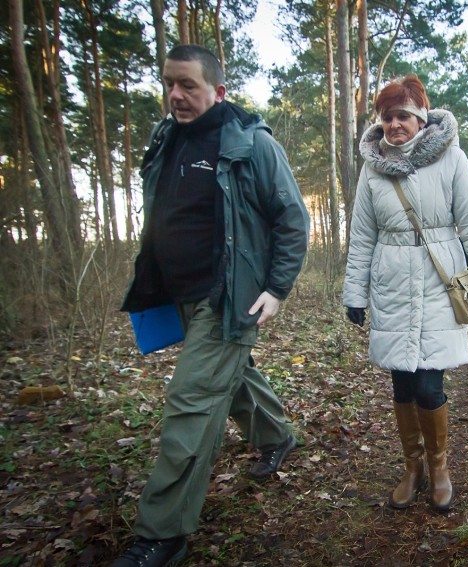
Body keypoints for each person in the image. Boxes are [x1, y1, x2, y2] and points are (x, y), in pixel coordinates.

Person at [114, 45, 310, 567]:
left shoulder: (251, 143)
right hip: (176, 291)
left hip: (230, 294)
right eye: (169, 84)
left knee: (192, 401)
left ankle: (162, 535)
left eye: (188, 85)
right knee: (232, 372)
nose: (176, 95)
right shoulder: (165, 137)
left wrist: (277, 287)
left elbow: (292, 218)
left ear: (218, 90)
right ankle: (278, 436)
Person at [342, 74, 468, 512]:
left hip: (440, 279)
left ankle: (439, 467)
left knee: (429, 385)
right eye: (389, 116)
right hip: (391, 283)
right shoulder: (372, 168)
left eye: (404, 116)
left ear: (420, 118)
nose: (396, 124)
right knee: (401, 382)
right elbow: (361, 236)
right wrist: (354, 293)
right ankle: (411, 466)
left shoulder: (450, 160)